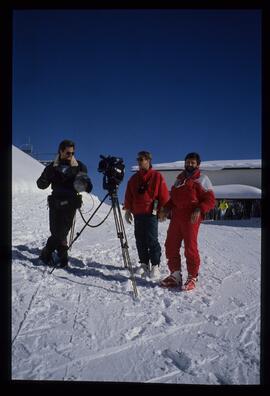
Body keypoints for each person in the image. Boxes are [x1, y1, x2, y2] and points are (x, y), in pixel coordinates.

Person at [159, 152, 216, 291]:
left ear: (198, 164)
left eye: (193, 162)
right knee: (170, 245)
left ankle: (192, 276)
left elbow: (210, 200)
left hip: (191, 217)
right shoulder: (179, 180)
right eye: (188, 162)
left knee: (190, 247)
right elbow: (172, 199)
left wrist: (199, 209)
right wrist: (166, 209)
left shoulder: (202, 179)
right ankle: (175, 275)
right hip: (177, 217)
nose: (189, 164)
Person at [37, 139, 93, 268]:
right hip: (55, 202)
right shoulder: (51, 167)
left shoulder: (79, 166)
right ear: (61, 151)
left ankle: (47, 252)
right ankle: (62, 252)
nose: (71, 155)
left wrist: (85, 183)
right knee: (55, 231)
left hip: (70, 203)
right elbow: (40, 185)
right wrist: (46, 176)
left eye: (72, 153)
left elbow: (87, 187)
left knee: (61, 232)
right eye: (68, 153)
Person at [124, 151, 170, 279]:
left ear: (148, 160)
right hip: (138, 214)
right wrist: (128, 210)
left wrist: (163, 210)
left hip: (151, 214)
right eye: (138, 159)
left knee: (152, 239)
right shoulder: (133, 179)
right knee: (140, 240)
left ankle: (155, 265)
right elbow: (129, 195)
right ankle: (144, 264)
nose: (139, 161)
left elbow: (164, 195)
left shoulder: (157, 176)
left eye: (142, 159)